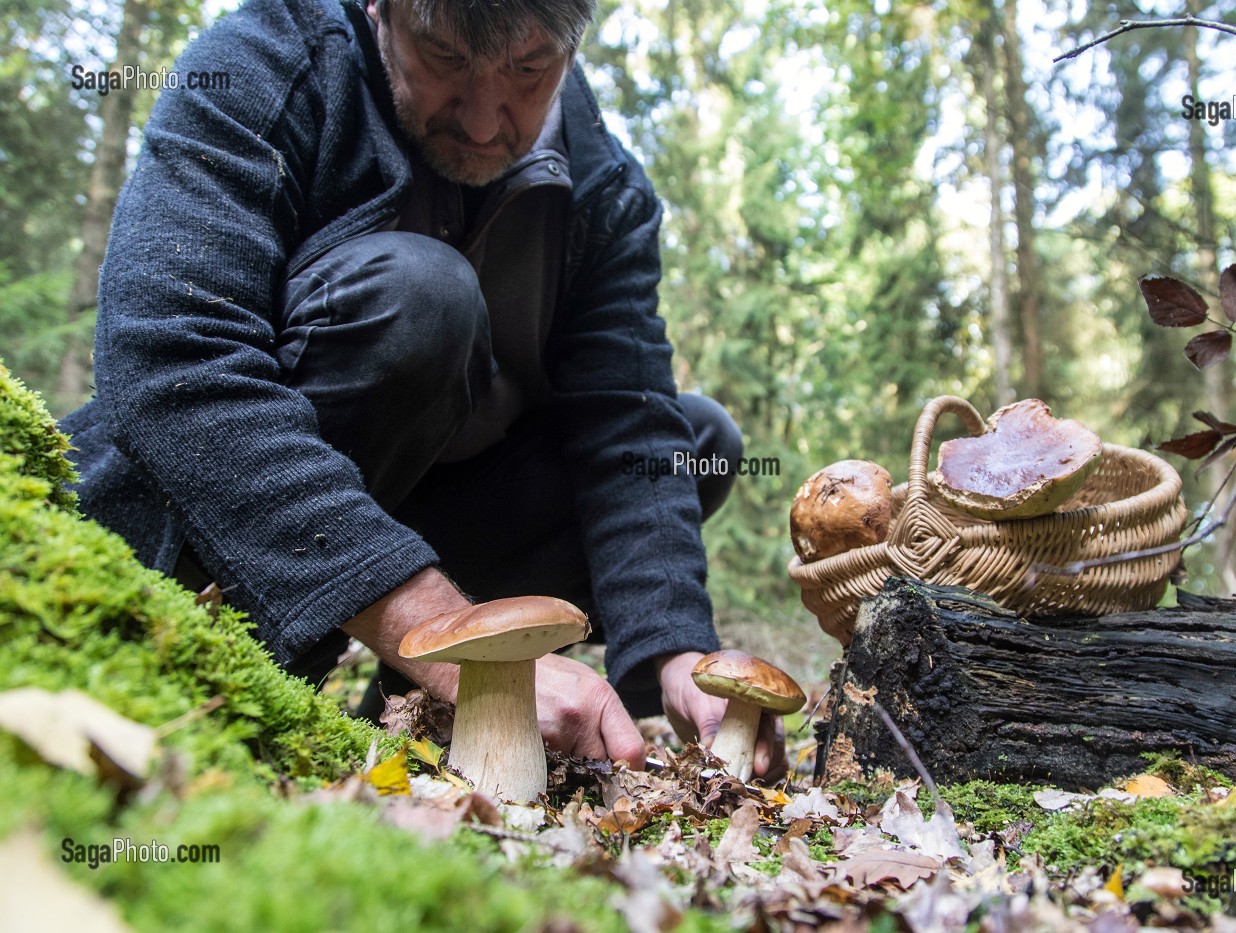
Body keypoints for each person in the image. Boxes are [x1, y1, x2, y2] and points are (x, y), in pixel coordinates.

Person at [60, 0, 787, 778]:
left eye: (528, 70)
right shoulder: (268, 64)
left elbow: (629, 425)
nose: (482, 122)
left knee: (693, 442)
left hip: (450, 511)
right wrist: (457, 643)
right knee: (422, 300)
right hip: (226, 530)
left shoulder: (603, 186)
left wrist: (681, 650)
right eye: (443, 57)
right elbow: (170, 356)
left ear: (573, 50)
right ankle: (227, 669)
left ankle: (423, 720)